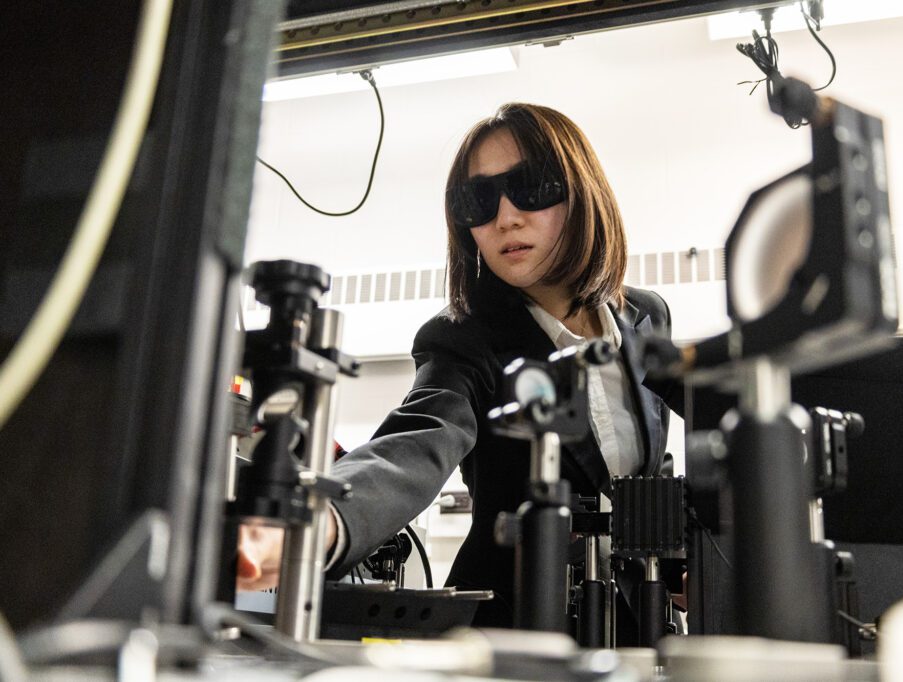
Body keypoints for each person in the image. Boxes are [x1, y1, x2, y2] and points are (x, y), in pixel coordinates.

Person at [237, 102, 686, 629]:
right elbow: (417, 441)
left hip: (633, 622)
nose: (505, 217)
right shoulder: (463, 338)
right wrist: (320, 521)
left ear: (583, 192)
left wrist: (679, 564)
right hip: (512, 626)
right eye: (479, 200)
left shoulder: (644, 317)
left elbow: (649, 471)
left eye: (531, 187)